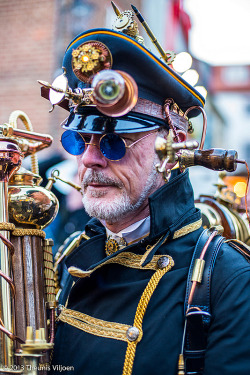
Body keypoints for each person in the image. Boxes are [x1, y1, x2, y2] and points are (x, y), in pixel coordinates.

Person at [43, 7, 250, 375]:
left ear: (175, 146)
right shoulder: (70, 252)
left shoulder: (229, 281)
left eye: (114, 141)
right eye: (79, 140)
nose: (90, 160)